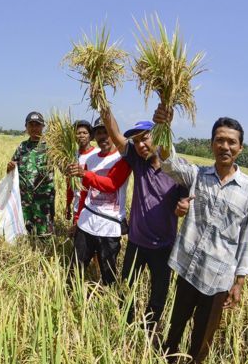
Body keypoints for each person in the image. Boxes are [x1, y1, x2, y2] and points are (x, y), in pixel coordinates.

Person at [153, 107, 248, 364]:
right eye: (219, 140)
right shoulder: (197, 176)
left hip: (219, 277)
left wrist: (239, 282)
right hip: (189, 267)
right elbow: (169, 162)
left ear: (240, 148)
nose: (225, 146)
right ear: (212, 143)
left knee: (203, 335)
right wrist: (164, 128)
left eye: (231, 141)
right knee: (176, 324)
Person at [74, 107, 189, 336]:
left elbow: (189, 197)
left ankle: (147, 334)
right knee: (126, 290)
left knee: (157, 296)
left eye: (144, 139)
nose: (140, 145)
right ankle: (125, 329)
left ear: (158, 136)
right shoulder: (139, 161)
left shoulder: (178, 170)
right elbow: (115, 133)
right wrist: (103, 104)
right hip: (136, 243)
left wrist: (185, 205)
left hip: (163, 246)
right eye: (136, 142)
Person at [69, 118, 130, 286]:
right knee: (75, 270)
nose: (103, 136)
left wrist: (85, 174)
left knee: (108, 275)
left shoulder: (123, 159)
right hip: (86, 223)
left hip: (109, 227)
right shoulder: (91, 160)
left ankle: (108, 303)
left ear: (113, 134)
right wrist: (77, 219)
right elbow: (84, 192)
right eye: (99, 133)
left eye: (106, 132)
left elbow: (111, 185)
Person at [6, 111, 55, 236]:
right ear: (26, 127)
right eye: (31, 125)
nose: (34, 128)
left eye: (37, 125)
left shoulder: (51, 147)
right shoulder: (22, 147)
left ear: (42, 127)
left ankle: (44, 253)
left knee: (44, 234)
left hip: (43, 199)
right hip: (24, 199)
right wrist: (9, 167)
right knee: (25, 231)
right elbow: (11, 169)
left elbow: (64, 167)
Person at [65, 120, 99, 225]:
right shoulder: (72, 156)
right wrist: (68, 204)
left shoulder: (97, 153)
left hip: (95, 206)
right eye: (78, 133)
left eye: (85, 133)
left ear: (90, 136)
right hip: (77, 206)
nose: (81, 135)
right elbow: (70, 184)